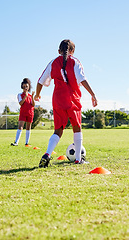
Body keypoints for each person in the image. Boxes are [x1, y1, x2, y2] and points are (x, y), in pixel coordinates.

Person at [34, 39, 98, 167]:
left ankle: (47, 154)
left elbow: (40, 81)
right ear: (72, 51)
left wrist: (37, 94)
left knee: (58, 130)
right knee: (77, 127)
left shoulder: (53, 63)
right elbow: (83, 79)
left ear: (59, 51)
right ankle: (78, 159)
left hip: (57, 99)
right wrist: (93, 94)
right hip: (72, 99)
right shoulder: (75, 62)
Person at [11, 78, 35, 147]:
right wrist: (25, 97)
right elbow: (20, 103)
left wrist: (32, 97)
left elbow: (33, 104)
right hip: (23, 113)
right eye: (24, 87)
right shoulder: (20, 95)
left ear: (28, 87)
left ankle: (27, 143)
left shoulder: (30, 96)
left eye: (26, 86)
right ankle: (16, 142)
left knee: (28, 127)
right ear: (22, 87)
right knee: (20, 126)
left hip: (30, 113)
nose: (25, 88)